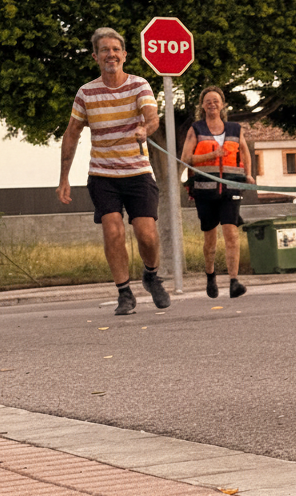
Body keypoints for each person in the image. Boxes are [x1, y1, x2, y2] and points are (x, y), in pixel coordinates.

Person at [57, 28, 171, 315]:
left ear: (124, 55)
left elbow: (152, 117)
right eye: (105, 50)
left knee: (146, 234)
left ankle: (151, 274)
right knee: (113, 230)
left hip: (137, 172)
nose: (111, 54)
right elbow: (71, 134)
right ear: (96, 57)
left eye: (116, 49)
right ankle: (124, 293)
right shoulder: (86, 92)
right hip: (103, 175)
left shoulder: (139, 85)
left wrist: (145, 128)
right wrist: (63, 178)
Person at [181, 86, 256, 299]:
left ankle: (234, 281)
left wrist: (248, 174)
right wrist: (212, 154)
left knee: (231, 233)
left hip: (231, 187)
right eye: (207, 101)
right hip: (205, 190)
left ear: (222, 105)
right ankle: (210, 275)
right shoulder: (196, 129)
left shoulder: (234, 128)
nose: (212, 104)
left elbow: (245, 152)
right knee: (210, 240)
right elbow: (186, 158)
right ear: (202, 106)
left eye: (215, 100)